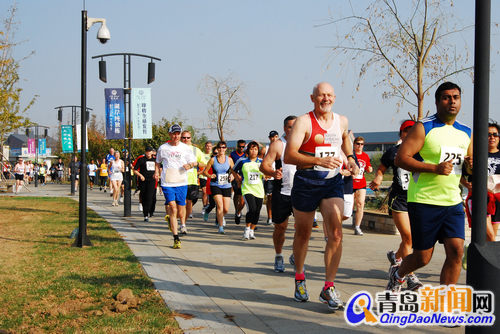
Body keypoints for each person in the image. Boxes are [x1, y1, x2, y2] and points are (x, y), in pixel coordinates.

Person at [386, 82, 472, 293]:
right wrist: (434, 168)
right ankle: (398, 276)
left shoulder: (466, 132)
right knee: (423, 257)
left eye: (455, 97)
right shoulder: (424, 127)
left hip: (452, 202)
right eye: (446, 97)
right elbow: (400, 159)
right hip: (424, 200)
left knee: (456, 252)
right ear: (437, 102)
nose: (452, 101)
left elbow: (466, 168)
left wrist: (470, 167)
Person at [283, 82, 358, 310]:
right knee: (303, 233)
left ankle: (328, 287)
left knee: (336, 233)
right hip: (306, 183)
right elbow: (289, 156)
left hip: (332, 183)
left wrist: (351, 158)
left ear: (334, 97)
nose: (325, 99)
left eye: (329, 95)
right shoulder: (303, 122)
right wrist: (319, 161)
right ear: (312, 98)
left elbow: (345, 138)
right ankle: (299, 277)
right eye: (320, 95)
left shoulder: (341, 120)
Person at [369, 120, 423, 291]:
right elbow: (381, 168)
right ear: (400, 134)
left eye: (412, 131)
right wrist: (378, 177)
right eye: (406, 131)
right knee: (408, 238)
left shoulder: (423, 152)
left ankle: (396, 256)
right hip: (399, 199)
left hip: (418, 199)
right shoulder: (393, 152)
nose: (409, 134)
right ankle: (411, 276)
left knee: (410, 239)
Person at [260, 116, 297, 271]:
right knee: (280, 228)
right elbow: (263, 166)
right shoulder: (277, 145)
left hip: (300, 193)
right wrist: (273, 173)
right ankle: (278, 255)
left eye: (296, 126)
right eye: (290, 127)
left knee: (303, 229)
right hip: (281, 192)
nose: (293, 129)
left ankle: (296, 255)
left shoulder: (304, 144)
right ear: (284, 128)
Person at [155, 124, 197, 249]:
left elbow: (194, 162)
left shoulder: (185, 148)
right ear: (169, 134)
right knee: (173, 209)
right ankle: (176, 238)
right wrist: (157, 172)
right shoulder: (163, 148)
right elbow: (158, 161)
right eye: (174, 133)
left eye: (178, 134)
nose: (176, 136)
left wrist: (190, 165)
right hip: (168, 182)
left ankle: (174, 222)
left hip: (181, 182)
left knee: (180, 210)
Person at [233, 141, 266, 239]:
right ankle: (247, 229)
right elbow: (233, 170)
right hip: (247, 189)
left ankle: (252, 230)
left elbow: (267, 172)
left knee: (257, 211)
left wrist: (267, 175)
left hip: (259, 190)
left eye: (256, 149)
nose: (254, 151)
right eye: (252, 149)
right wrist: (238, 180)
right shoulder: (242, 161)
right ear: (248, 150)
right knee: (252, 209)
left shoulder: (261, 162)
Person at [203, 141, 234, 234]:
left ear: (226, 148)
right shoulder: (213, 160)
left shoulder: (229, 160)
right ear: (217, 148)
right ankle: (221, 227)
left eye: (223, 147)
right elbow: (205, 171)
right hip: (215, 185)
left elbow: (234, 170)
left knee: (226, 209)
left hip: (227, 185)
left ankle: (218, 217)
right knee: (220, 206)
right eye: (220, 147)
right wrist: (210, 176)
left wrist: (232, 175)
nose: (221, 149)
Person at [181, 130, 206, 232]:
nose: (186, 140)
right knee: (180, 204)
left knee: (188, 204)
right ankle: (179, 221)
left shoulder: (196, 150)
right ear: (180, 138)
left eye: (188, 138)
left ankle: (183, 224)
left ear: (191, 138)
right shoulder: (177, 149)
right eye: (184, 138)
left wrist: (195, 163)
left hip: (192, 181)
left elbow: (204, 164)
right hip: (179, 180)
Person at [352, 136, 373, 236]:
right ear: (354, 144)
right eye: (358, 144)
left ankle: (357, 227)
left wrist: (370, 169)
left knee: (360, 205)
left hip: (361, 183)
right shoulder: (351, 155)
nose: (360, 146)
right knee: (350, 207)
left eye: (362, 144)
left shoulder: (365, 156)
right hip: (350, 183)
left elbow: (368, 167)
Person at [260, 130, 280, 225]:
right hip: (269, 177)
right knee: (270, 198)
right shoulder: (265, 149)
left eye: (276, 137)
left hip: (279, 176)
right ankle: (269, 217)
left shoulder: (282, 147)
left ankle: (278, 216)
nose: (274, 139)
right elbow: (259, 162)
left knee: (279, 197)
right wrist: (264, 172)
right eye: (272, 137)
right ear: (269, 138)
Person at [134, 146, 158, 221]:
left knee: (150, 196)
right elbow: (135, 170)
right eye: (147, 151)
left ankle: (149, 211)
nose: (148, 153)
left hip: (152, 180)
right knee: (144, 196)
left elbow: (159, 168)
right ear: (145, 152)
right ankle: (145, 213)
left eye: (149, 151)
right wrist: (140, 175)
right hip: (143, 180)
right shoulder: (141, 160)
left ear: (152, 152)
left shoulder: (155, 160)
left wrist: (157, 174)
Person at [230, 140, 246, 224]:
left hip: (245, 177)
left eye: (242, 147)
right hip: (236, 176)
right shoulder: (232, 154)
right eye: (239, 146)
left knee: (243, 198)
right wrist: (233, 174)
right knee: (236, 193)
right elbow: (230, 165)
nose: (241, 148)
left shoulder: (246, 154)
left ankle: (239, 211)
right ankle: (237, 210)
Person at [199, 141, 213, 212]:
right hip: (203, 175)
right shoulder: (202, 154)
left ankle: (208, 205)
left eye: (210, 146)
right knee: (204, 191)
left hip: (210, 175)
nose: (208, 147)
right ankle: (204, 206)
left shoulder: (213, 154)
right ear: (205, 147)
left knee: (208, 192)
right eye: (207, 146)